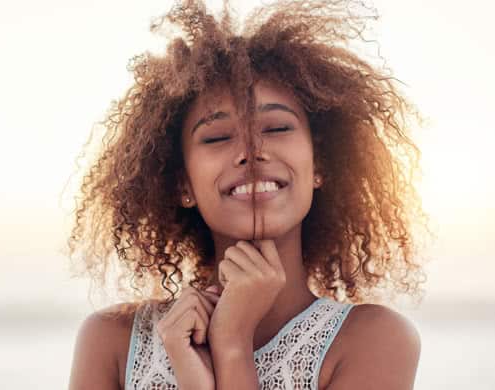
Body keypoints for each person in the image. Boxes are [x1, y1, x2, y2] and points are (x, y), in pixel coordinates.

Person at [67, 0, 429, 388]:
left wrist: (232, 345)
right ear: (182, 183)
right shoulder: (113, 342)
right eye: (218, 136)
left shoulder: (374, 340)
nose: (251, 151)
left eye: (276, 128)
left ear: (319, 164)